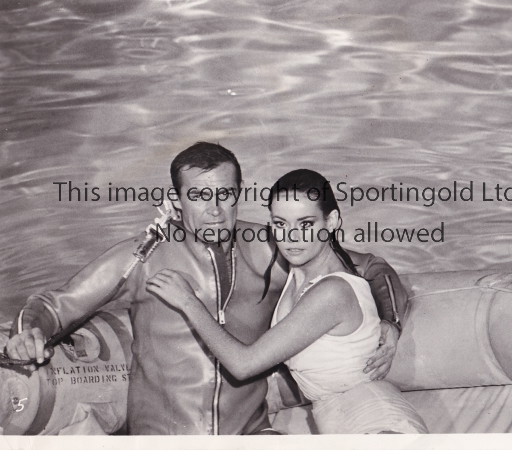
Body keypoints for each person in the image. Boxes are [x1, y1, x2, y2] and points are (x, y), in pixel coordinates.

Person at [4, 142, 408, 435]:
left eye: (225, 195)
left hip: (251, 434)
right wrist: (29, 332)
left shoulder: (273, 248)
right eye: (199, 195)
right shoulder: (140, 258)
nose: (214, 209)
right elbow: (54, 306)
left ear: (239, 196)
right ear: (176, 202)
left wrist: (390, 322)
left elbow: (371, 267)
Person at [147, 168, 427, 434]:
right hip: (342, 422)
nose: (292, 236)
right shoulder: (297, 269)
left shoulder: (332, 291)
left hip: (379, 423)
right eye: (281, 224)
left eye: (306, 224)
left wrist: (189, 302)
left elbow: (243, 365)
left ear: (330, 222)